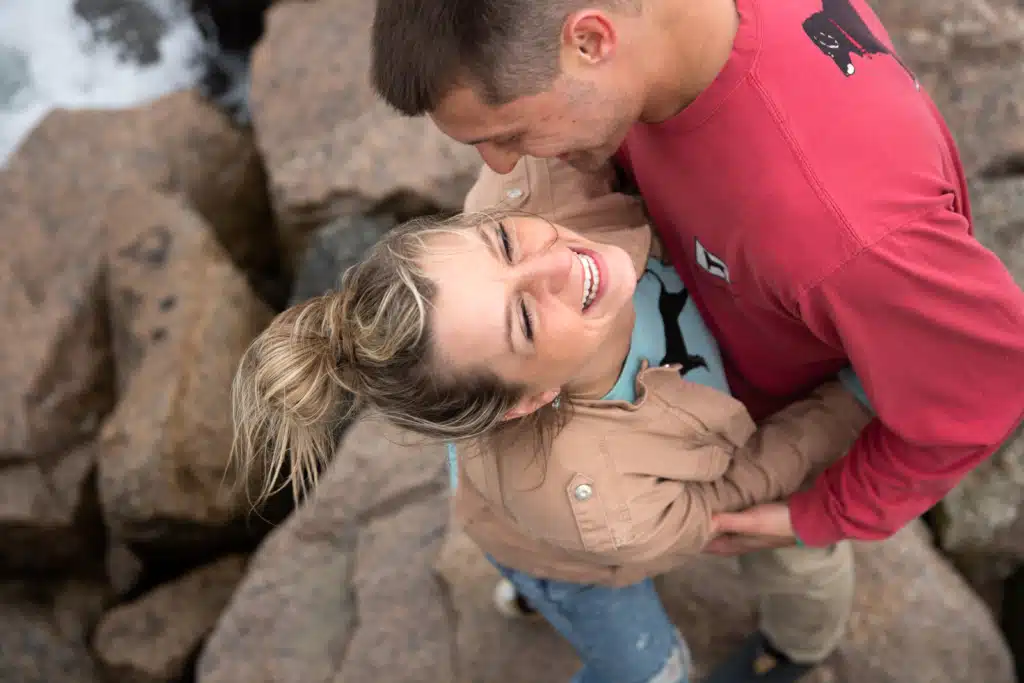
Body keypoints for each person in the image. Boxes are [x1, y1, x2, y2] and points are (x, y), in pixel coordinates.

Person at [368, 0, 1024, 680]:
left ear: (592, 40)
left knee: (795, 564)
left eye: (507, 132)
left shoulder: (843, 231)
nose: (499, 167)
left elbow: (987, 385)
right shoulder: (658, 59)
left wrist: (824, 509)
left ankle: (796, 651)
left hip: (788, 420)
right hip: (725, 333)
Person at [230, 153, 873, 683]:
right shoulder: (606, 505)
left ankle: (531, 585)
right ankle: (546, 587)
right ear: (529, 402)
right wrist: (855, 396)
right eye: (526, 318)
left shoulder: (530, 185)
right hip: (578, 547)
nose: (561, 263)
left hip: (517, 493)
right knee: (654, 675)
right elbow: (727, 493)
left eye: (504, 243)